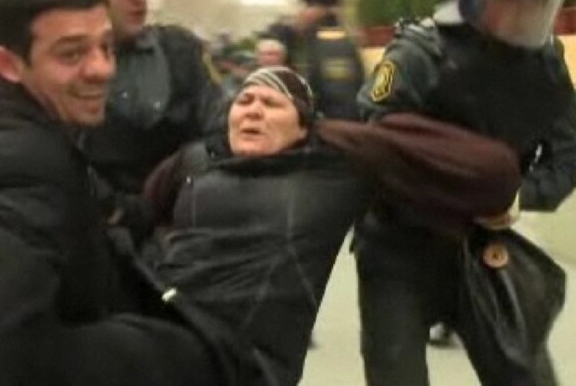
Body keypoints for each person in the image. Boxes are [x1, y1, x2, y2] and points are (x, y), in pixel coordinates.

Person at [0, 0, 222, 385]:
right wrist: (168, 352)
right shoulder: (19, 173)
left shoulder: (3, 129)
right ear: (9, 64)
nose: (101, 68)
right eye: (71, 54)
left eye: (106, 47)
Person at [140, 66, 523, 386]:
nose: (253, 111)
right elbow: (141, 213)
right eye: (244, 101)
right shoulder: (194, 162)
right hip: (160, 328)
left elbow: (484, 169)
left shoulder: (333, 169)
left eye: (271, 104)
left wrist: (341, 134)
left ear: (302, 125)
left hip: (243, 362)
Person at [354, 0, 576, 386]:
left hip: (482, 250)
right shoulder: (418, 56)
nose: (526, 10)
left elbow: (565, 165)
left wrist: (515, 198)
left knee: (527, 376)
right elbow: (373, 147)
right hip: (399, 249)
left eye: (537, 0)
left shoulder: (546, 67)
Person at [65, 0, 224, 239]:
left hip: (185, 236)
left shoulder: (180, 52)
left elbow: (222, 128)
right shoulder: (59, 67)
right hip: (95, 239)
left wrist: (190, 169)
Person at [267, 0, 365, 120]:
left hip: (329, 128)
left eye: (309, 5)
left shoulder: (334, 45)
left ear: (328, 9)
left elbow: (340, 102)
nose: (301, 12)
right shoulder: (306, 41)